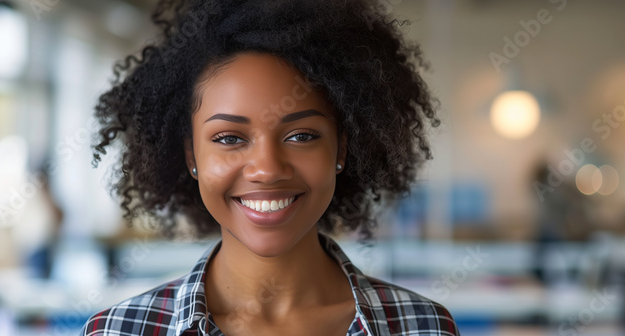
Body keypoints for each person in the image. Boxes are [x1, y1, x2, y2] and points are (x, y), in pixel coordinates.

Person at [81, 0, 458, 335]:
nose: (267, 169)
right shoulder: (117, 330)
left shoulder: (422, 327)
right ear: (191, 156)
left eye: (302, 135)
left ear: (341, 148)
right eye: (229, 138)